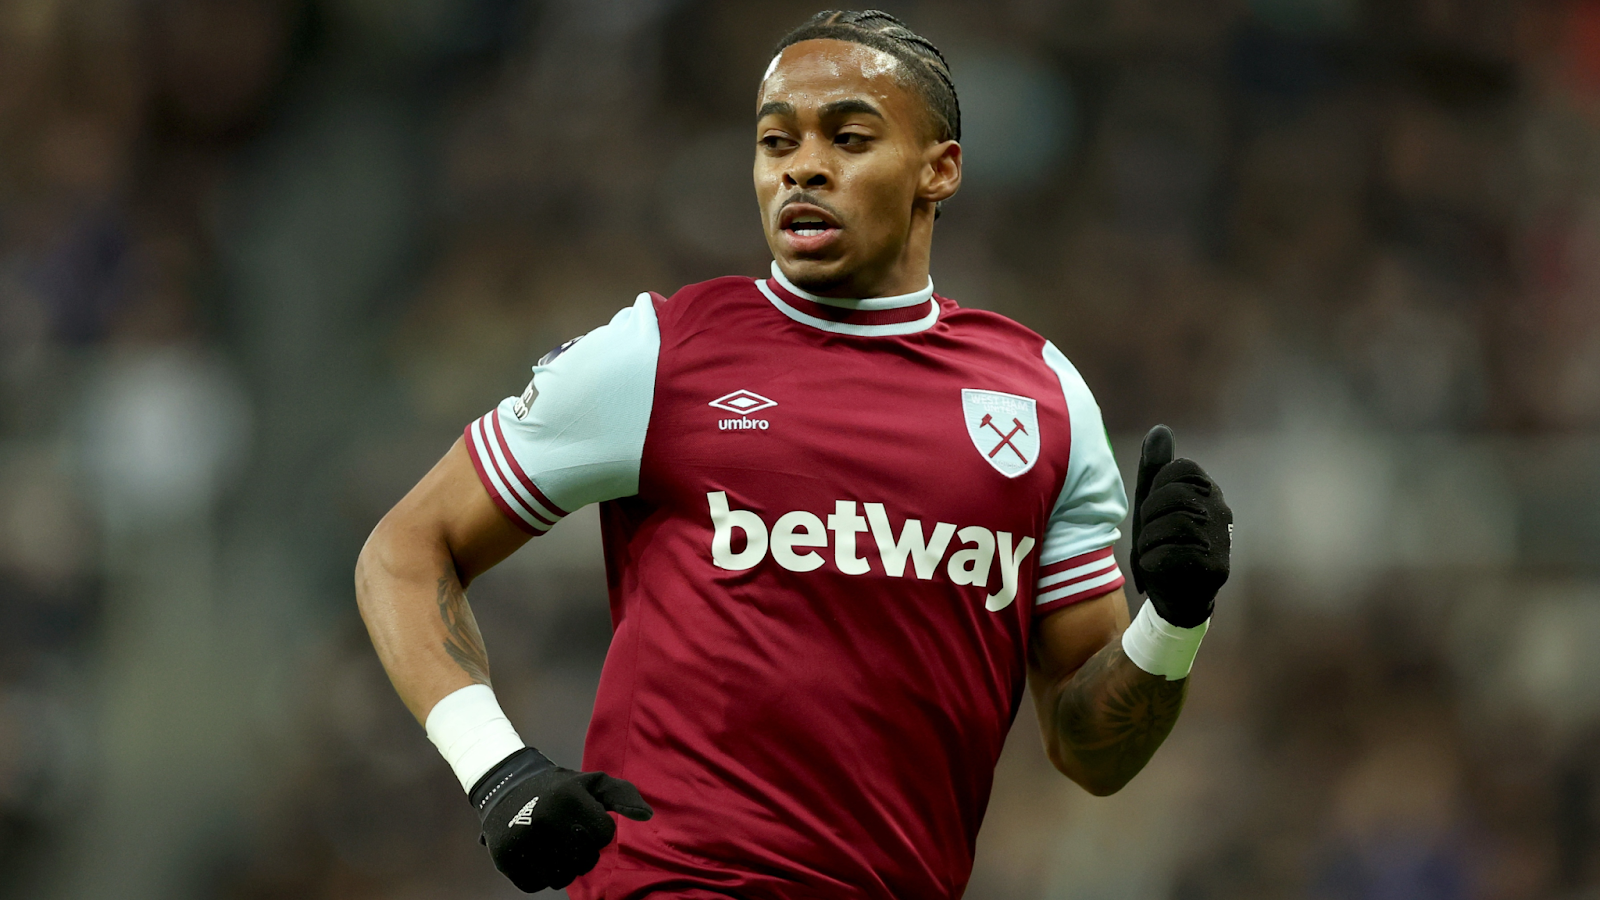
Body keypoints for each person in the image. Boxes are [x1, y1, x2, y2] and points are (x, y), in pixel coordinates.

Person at [354, 9, 1233, 899]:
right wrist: (496, 769)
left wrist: (1173, 621)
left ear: (939, 169)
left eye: (848, 138)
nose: (801, 167)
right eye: (777, 141)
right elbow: (405, 550)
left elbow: (1091, 753)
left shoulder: (1042, 399)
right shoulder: (659, 355)